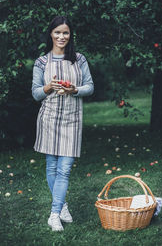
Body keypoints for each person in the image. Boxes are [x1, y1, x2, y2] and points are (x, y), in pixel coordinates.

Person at [32, 16, 94, 231]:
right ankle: (62, 206)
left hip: (72, 119)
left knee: (64, 169)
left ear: (70, 35)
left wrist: (74, 90)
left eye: (65, 32)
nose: (61, 36)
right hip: (49, 118)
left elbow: (90, 87)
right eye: (57, 32)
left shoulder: (79, 59)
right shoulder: (41, 62)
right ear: (51, 34)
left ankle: (54, 213)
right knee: (52, 167)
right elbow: (36, 94)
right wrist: (48, 86)